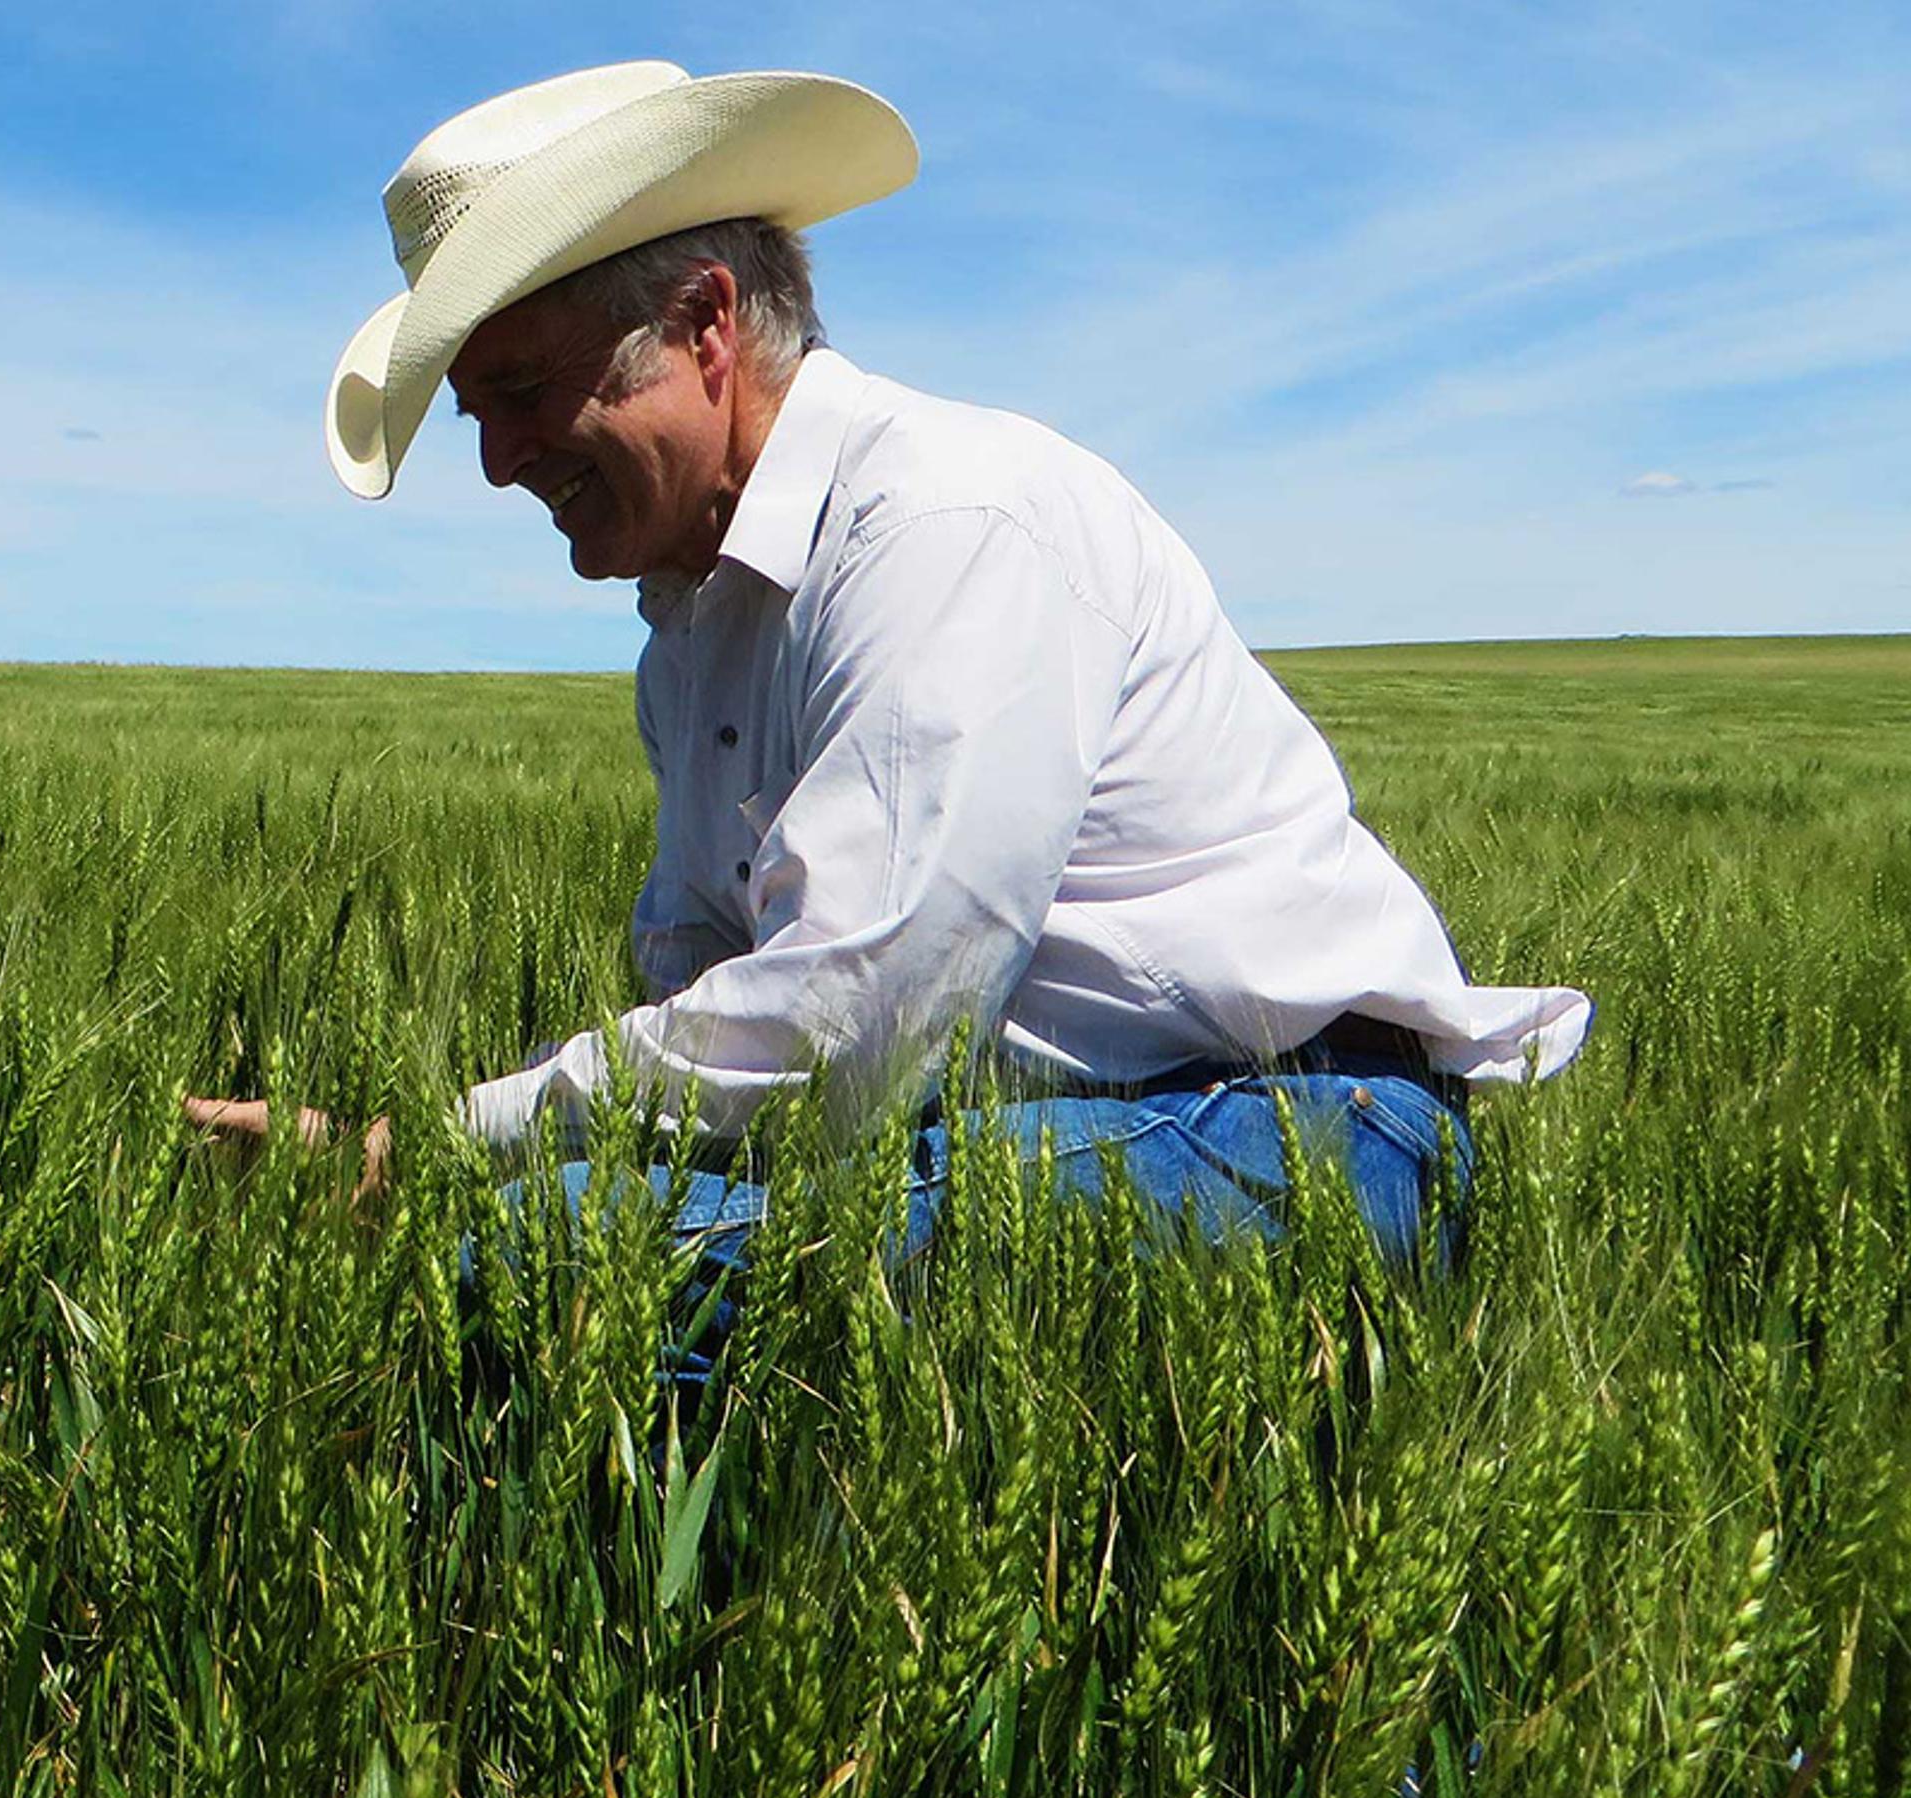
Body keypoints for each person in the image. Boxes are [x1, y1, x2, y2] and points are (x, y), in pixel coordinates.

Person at [183, 60, 1590, 1279]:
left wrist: (432, 1148)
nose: (496, 464)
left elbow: (863, 1023)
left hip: (1297, 1128)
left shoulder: (945, 521)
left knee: (544, 1254)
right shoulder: (688, 631)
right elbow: (712, 983)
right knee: (573, 1232)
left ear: (704, 326)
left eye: (526, 393)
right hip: (1052, 1128)